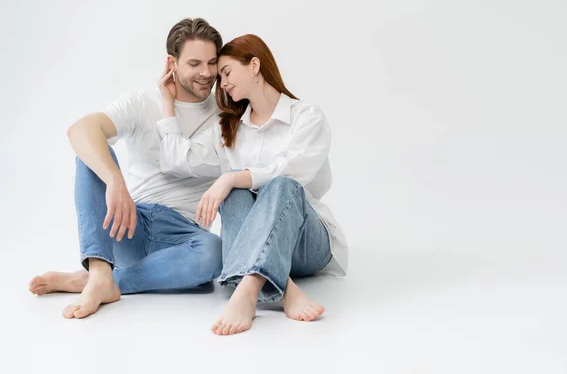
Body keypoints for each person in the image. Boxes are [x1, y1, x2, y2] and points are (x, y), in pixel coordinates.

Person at [29, 18, 225, 319]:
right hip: (132, 221)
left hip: (186, 237)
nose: (206, 73)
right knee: (92, 151)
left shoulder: (226, 117)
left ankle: (102, 280)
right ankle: (99, 269)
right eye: (195, 63)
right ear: (171, 63)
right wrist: (114, 180)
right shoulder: (141, 103)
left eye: (212, 63)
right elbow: (80, 129)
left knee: (215, 251)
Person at [157, 34, 348, 335]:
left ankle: (246, 291)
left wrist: (232, 176)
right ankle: (282, 287)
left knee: (280, 185)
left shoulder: (306, 116)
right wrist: (168, 103)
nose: (222, 83)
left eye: (227, 72)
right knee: (233, 196)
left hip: (306, 243)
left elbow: (290, 172)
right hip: (261, 247)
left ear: (255, 66)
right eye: (220, 78)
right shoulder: (229, 129)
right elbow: (176, 160)